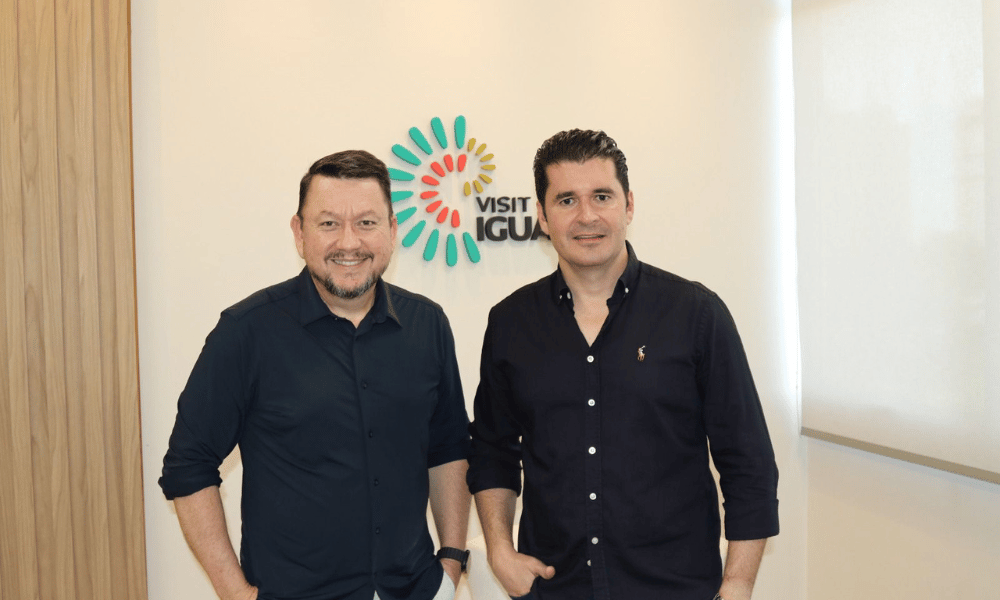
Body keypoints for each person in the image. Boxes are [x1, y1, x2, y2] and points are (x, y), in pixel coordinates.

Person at [466, 130, 779, 600]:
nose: (586, 216)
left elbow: (749, 462)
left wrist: (737, 584)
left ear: (628, 205)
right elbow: (493, 451)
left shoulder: (696, 315)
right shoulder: (511, 322)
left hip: (676, 590)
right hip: (556, 589)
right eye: (566, 200)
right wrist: (498, 550)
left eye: (602, 196)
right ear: (543, 217)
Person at [160, 150, 472, 600]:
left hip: (414, 589)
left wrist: (451, 563)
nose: (349, 242)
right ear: (299, 232)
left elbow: (448, 448)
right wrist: (235, 593)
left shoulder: (428, 325)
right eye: (329, 223)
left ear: (392, 231)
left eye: (366, 222)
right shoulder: (247, 332)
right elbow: (188, 465)